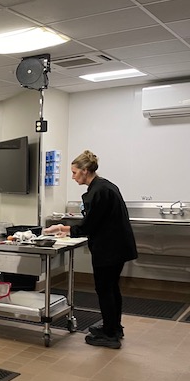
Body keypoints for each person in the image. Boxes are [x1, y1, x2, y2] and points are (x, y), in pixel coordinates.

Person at [43, 150, 137, 349]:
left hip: (109, 248)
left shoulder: (97, 192)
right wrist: (65, 228)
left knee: (105, 289)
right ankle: (114, 327)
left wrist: (62, 229)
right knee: (111, 288)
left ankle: (110, 335)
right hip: (116, 246)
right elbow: (93, 222)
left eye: (75, 172)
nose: (73, 176)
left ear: (85, 171)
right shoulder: (105, 186)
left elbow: (89, 226)